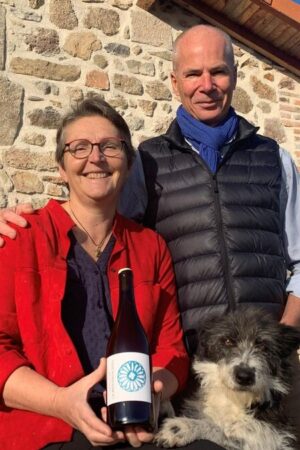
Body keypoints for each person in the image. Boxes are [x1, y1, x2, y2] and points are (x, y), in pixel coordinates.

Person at [1, 23, 300, 444]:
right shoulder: (149, 162)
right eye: (194, 74)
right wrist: (12, 220)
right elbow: (91, 209)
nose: (207, 85)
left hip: (266, 370)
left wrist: (282, 340)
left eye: (218, 71)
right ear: (175, 81)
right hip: (198, 372)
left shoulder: (275, 159)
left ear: (234, 75)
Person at [0, 97, 198, 450]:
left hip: (137, 427)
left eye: (110, 146)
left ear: (128, 161)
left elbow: (172, 350)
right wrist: (61, 402)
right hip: (48, 429)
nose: (96, 158)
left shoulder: (150, 247)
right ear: (61, 167)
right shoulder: (20, 236)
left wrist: (155, 389)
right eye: (79, 148)